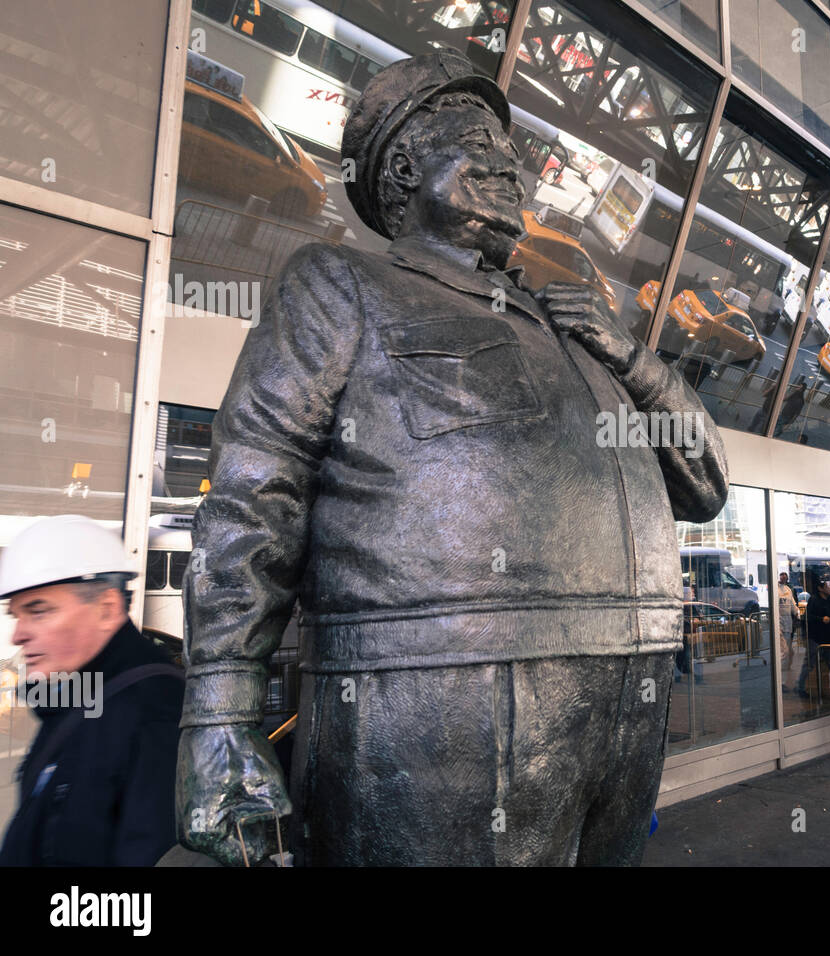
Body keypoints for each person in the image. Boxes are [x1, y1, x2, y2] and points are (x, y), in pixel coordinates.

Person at [176, 50, 728, 867]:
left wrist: (634, 360)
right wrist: (220, 715)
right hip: (440, 707)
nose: (513, 168)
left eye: (512, 153)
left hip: (625, 703)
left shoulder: (575, 329)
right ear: (403, 164)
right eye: (481, 141)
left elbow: (705, 485)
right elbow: (255, 494)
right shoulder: (341, 285)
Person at [0, 515, 183, 865]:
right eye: (16, 615)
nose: (17, 635)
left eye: (38, 611)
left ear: (107, 609)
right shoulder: (78, 695)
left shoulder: (154, 711)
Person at [798, 577, 830, 706]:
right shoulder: (814, 600)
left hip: (828, 637)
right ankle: (801, 687)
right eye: (827, 586)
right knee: (810, 662)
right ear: (820, 588)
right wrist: (821, 619)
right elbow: (807, 617)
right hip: (815, 637)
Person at [776, 571, 799, 673]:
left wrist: (798, 613)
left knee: (789, 649)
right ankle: (779, 671)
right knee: (783, 649)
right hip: (778, 621)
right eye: (782, 576)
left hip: (788, 622)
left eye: (785, 576)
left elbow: (793, 606)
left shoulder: (788, 590)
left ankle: (786, 668)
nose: (783, 578)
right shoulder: (774, 589)